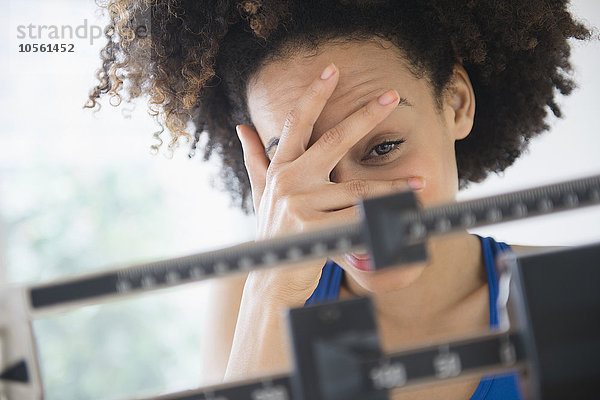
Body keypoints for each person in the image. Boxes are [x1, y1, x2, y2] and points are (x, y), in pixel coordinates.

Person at [87, 1, 591, 398]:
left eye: (384, 148)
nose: (352, 209)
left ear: (455, 103)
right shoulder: (248, 298)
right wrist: (273, 289)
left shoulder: (574, 295)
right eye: (303, 167)